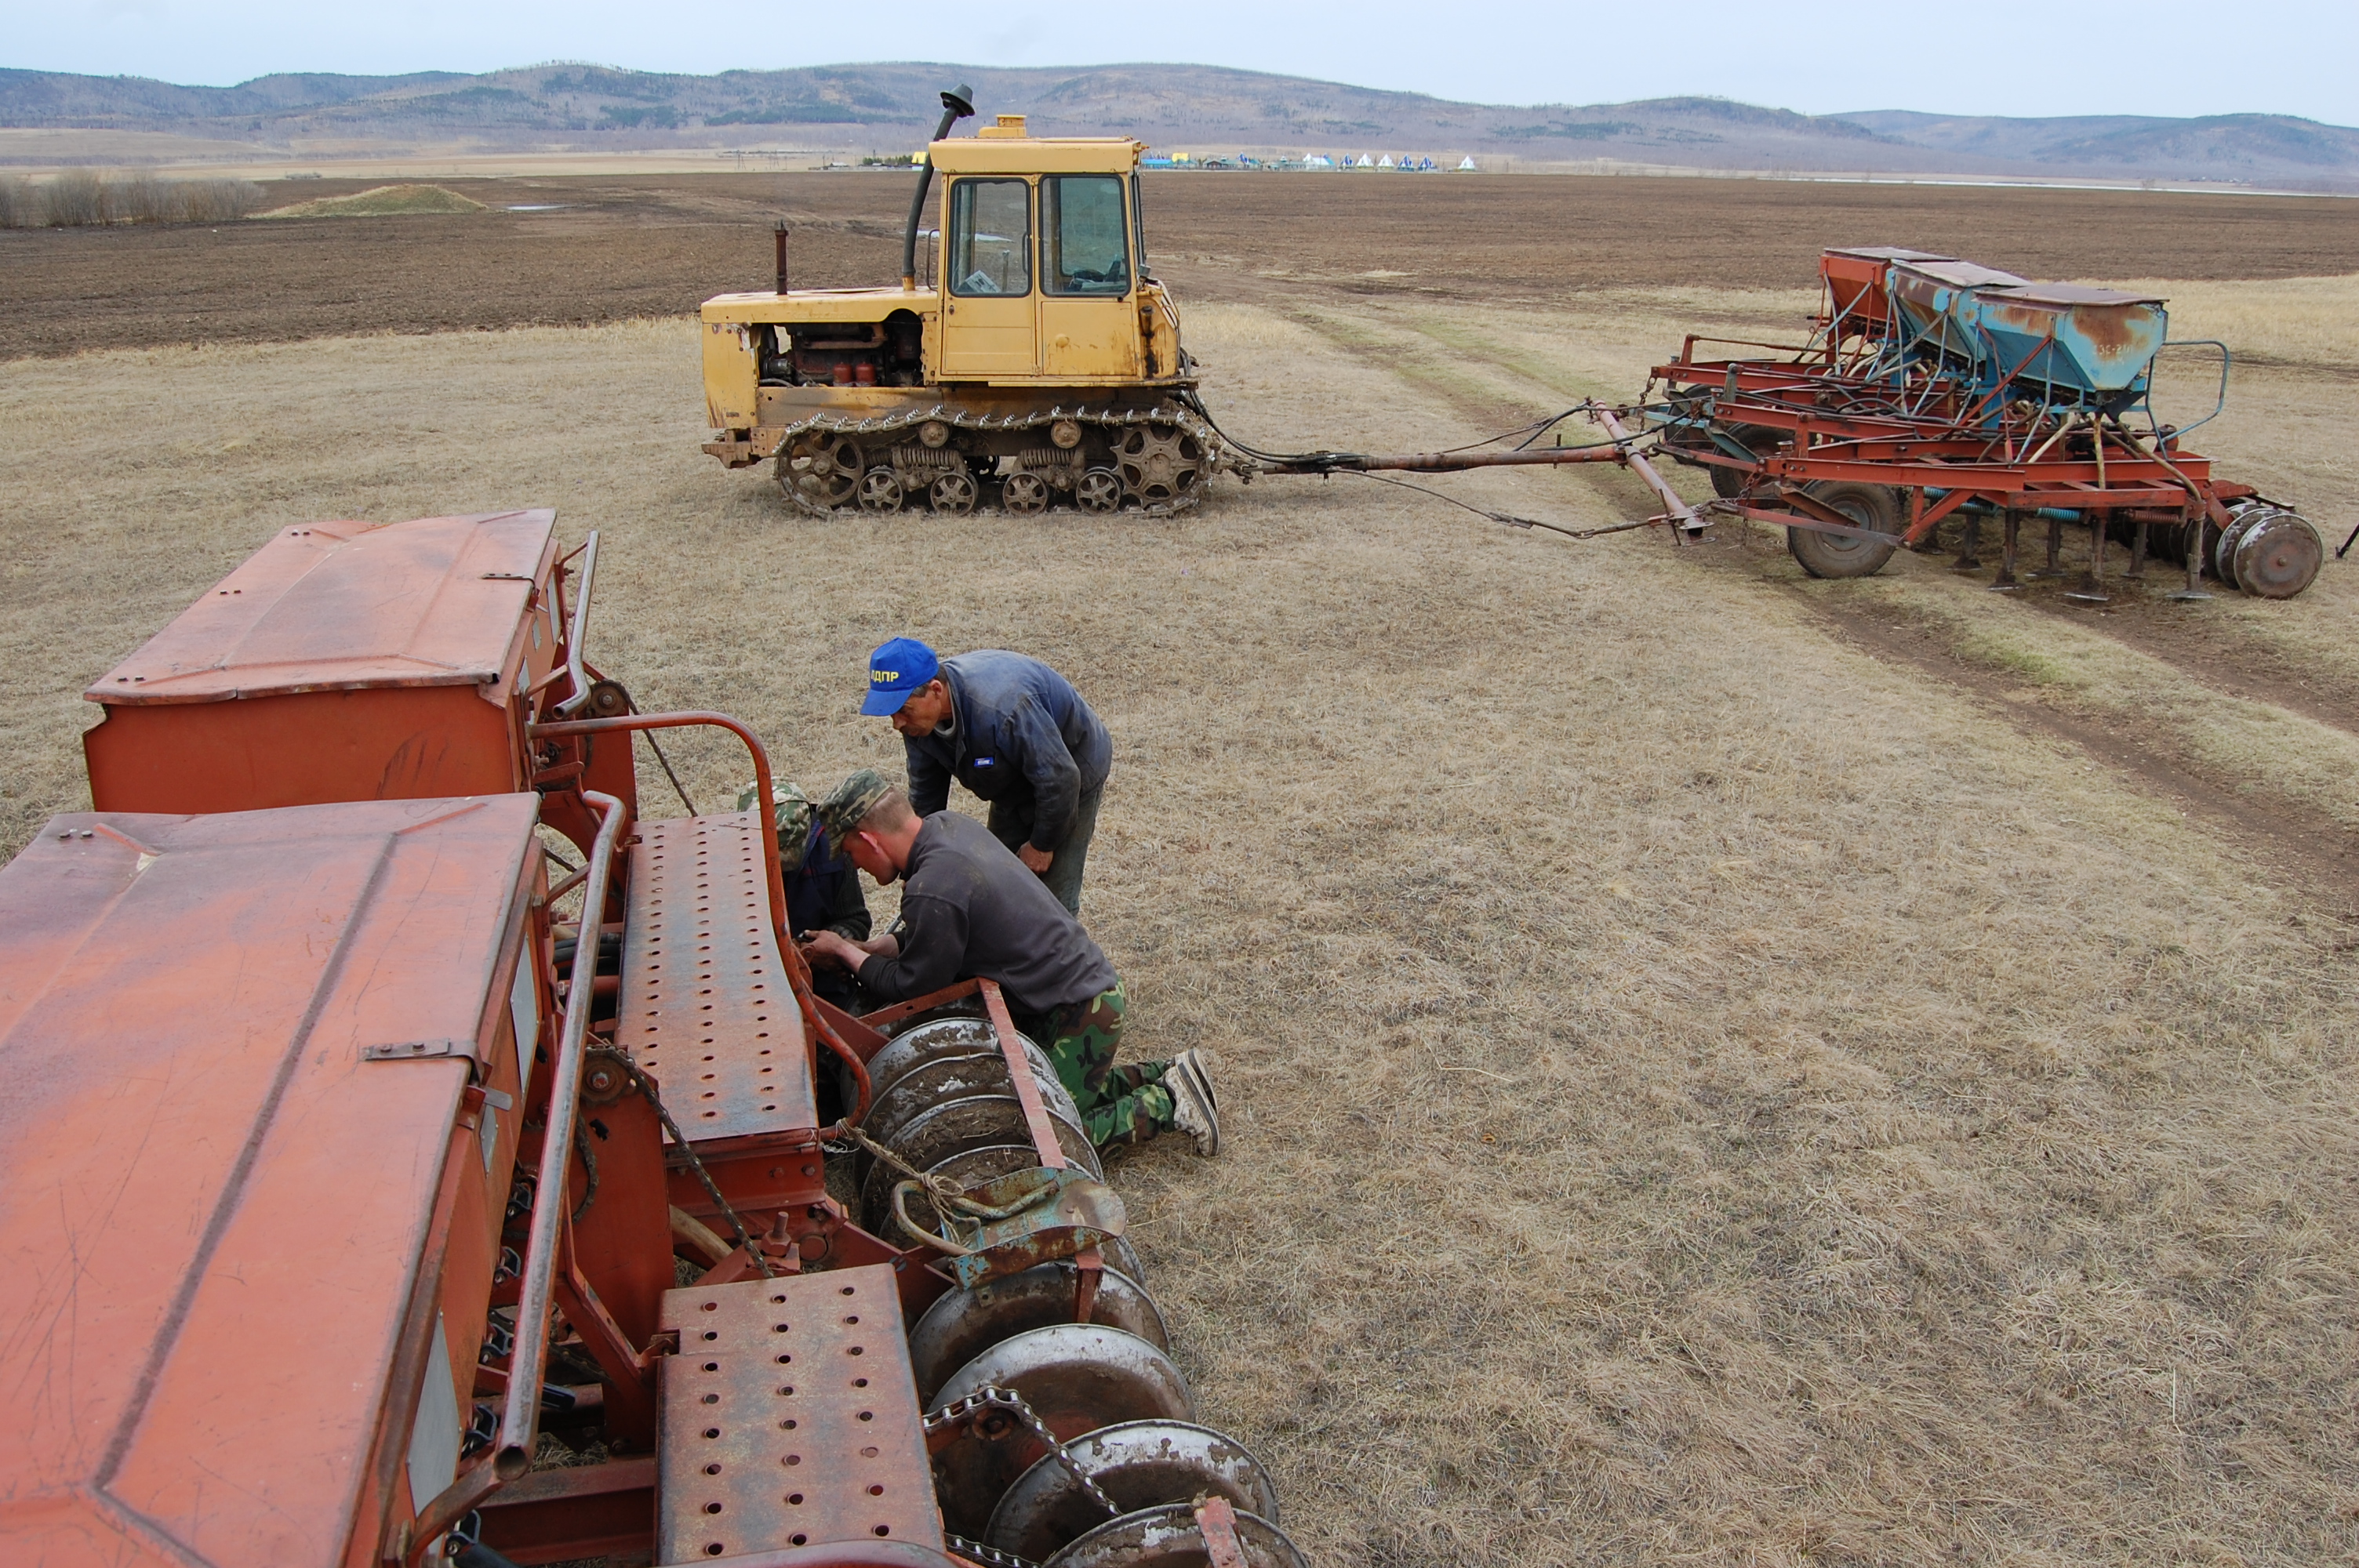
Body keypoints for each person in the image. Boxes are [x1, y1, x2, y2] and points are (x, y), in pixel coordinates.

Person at [799, 768, 1218, 1154]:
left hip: (1080, 1012)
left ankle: (1170, 1103)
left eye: (851, 853)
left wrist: (845, 951)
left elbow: (912, 987)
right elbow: (941, 934)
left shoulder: (932, 886)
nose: (853, 865)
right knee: (1055, 1087)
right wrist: (874, 949)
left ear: (870, 839)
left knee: (1041, 1138)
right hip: (1076, 995)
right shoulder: (948, 828)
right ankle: (1167, 1072)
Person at [860, 637, 1110, 916]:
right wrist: (915, 862)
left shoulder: (1003, 708)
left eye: (903, 710)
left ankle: (1060, 951)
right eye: (891, 714)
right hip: (1012, 776)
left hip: (1071, 769)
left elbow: (1060, 779)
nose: (897, 724)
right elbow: (926, 794)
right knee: (996, 878)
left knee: (1051, 901)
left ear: (935, 690)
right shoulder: (919, 725)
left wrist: (1042, 845)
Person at [739, 779, 871, 1009]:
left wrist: (831, 946)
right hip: (757, 989)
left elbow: (855, 919)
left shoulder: (832, 850)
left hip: (826, 986)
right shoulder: (729, 867)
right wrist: (798, 952)